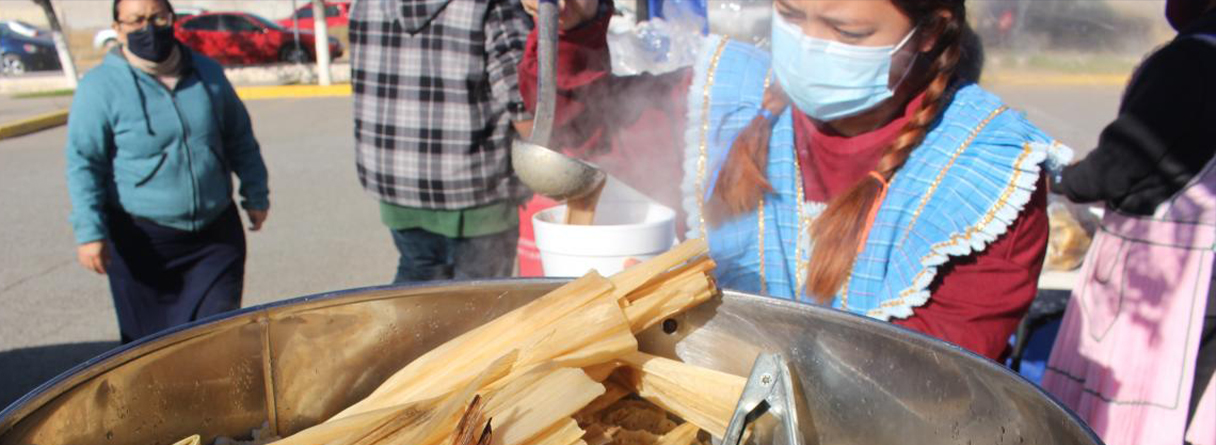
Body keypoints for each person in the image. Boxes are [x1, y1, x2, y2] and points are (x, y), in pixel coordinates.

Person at [519, 0, 1068, 362]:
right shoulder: (727, 99)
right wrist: (572, 25)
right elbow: (585, 128)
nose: (809, 43)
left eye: (845, 30)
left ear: (929, 31)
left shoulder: (986, 171)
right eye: (791, 14)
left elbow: (928, 375)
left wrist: (682, 312)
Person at [1042, 0, 1216, 445]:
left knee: (1132, 427)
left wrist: (1065, 176)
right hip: (1203, 278)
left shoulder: (1190, 64)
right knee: (1165, 423)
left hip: (1164, 275)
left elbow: (1121, 166)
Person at [67, 0, 269, 344]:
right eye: (136, 21)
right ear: (117, 28)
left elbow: (239, 137)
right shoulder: (100, 87)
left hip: (215, 236)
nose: (149, 28)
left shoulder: (207, 74)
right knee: (149, 353)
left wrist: (256, 192)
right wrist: (89, 232)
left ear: (172, 19)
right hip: (143, 243)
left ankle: (212, 399)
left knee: (216, 340)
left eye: (158, 18)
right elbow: (84, 162)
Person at [349, 0, 532, 283]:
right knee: (483, 314)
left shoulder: (365, 4)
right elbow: (523, 100)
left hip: (398, 188)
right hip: (478, 194)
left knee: (419, 299)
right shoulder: (491, 5)